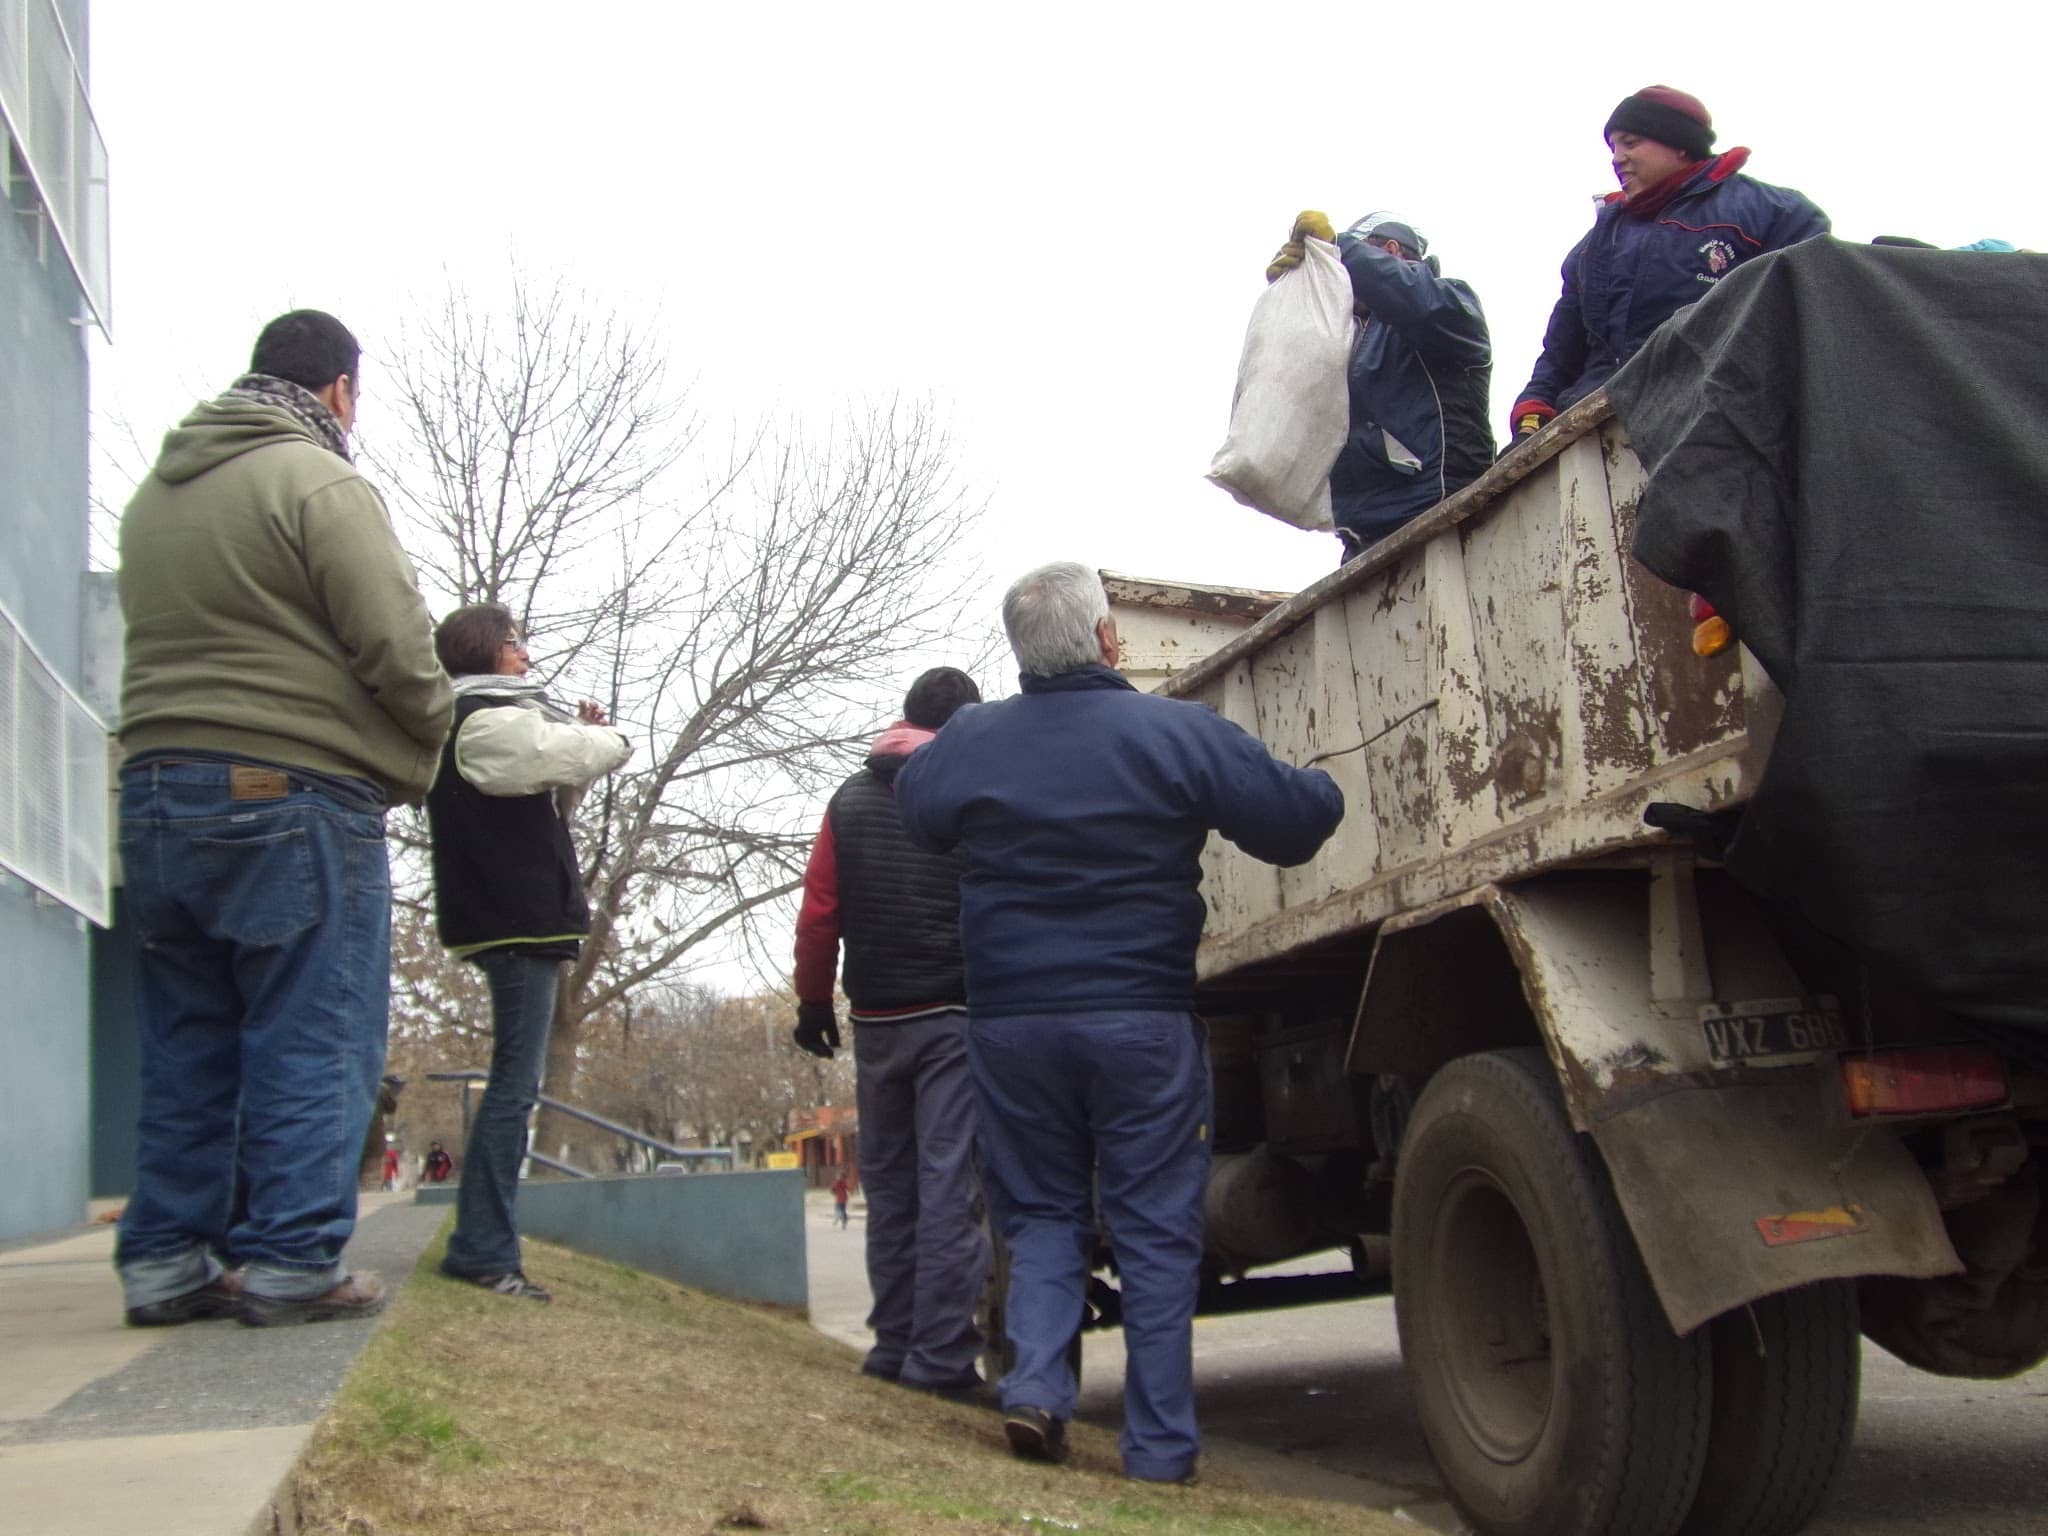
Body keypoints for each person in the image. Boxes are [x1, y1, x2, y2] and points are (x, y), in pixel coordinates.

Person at [895, 562, 1344, 1483]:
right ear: (1110, 639)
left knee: (1044, 1215)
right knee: (1153, 1226)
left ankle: (1037, 1394)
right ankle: (1160, 1447)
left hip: (1014, 1026)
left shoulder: (971, 741)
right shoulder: (1175, 734)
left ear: (1022, 653)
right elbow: (1297, 823)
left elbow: (917, 810)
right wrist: (1329, 781)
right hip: (1140, 1021)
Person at [114, 309, 452, 1329]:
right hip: (289, 792)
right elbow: (396, 645)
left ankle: (167, 1259)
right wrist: (436, 728)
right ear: (341, 391)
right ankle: (293, 1262)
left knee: (189, 1042)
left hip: (156, 793)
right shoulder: (317, 480)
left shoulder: (152, 499)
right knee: (312, 1033)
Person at [424, 603, 633, 1304]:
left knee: (515, 1086)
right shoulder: (482, 719)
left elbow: (542, 792)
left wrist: (579, 746)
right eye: (514, 644)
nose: (526, 656)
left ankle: (484, 1243)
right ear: (484, 650)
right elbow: (560, 755)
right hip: (514, 922)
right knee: (513, 1089)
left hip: (516, 920)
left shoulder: (494, 721)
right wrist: (606, 742)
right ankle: (483, 1249)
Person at [791, 667, 990, 1397]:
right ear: (965, 723)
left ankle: (892, 1346)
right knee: (948, 1188)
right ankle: (939, 1360)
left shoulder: (848, 799)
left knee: (891, 1187)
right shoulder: (969, 794)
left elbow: (819, 914)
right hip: (953, 1015)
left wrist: (814, 1005)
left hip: (876, 1019)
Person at [1509, 86, 1829, 444]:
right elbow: (1560, 351)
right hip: (1594, 431)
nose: (1617, 158)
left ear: (1679, 144)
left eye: (1630, 143)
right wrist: (1532, 409)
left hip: (1719, 423)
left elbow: (1805, 319)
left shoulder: (1775, 213)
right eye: (1613, 147)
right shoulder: (1594, 244)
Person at [1267, 210, 1494, 560]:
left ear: (1391, 250)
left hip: (1443, 516)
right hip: (1362, 536)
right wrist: (1297, 298)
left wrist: (1341, 250)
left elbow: (1415, 299)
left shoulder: (1450, 302)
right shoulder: (1351, 336)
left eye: (1342, 265)